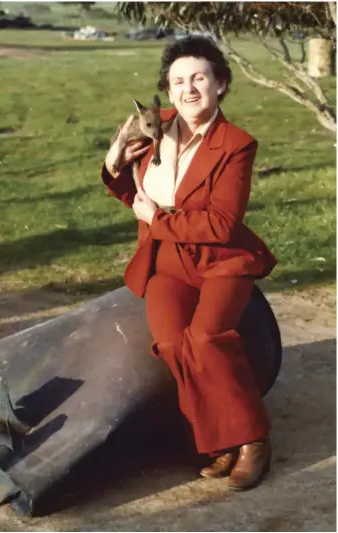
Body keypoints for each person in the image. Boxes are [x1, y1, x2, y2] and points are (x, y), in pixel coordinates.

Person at [101, 35, 278, 491]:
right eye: (178, 80)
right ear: (167, 88)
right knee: (173, 344)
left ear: (220, 83)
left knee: (206, 338)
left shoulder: (237, 144)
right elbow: (133, 191)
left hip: (221, 260)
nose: (189, 88)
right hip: (166, 259)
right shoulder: (152, 124)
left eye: (199, 77)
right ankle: (220, 440)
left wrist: (155, 219)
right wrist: (114, 163)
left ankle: (253, 440)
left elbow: (220, 224)